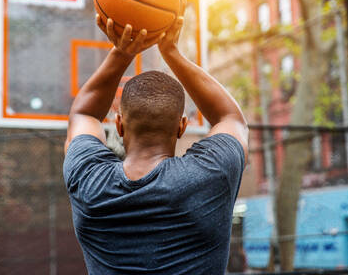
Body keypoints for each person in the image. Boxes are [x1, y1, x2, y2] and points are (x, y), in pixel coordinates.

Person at [63, 14, 248, 274]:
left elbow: (84, 114)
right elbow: (230, 118)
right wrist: (171, 52)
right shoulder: (210, 175)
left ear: (118, 125)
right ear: (182, 127)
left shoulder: (88, 181)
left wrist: (123, 52)